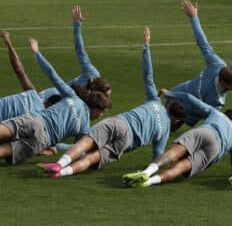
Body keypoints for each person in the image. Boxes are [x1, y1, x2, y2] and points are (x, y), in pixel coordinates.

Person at [0, 38, 112, 169]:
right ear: (95, 109)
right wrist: (65, 158)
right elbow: (78, 150)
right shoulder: (85, 125)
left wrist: (37, 53)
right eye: (101, 113)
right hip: (42, 141)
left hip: (34, 120)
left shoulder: (72, 96)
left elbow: (53, 75)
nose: (100, 116)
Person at [36, 28, 186, 178]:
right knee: (91, 158)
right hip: (127, 143)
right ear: (175, 119)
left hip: (120, 123)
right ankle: (61, 173)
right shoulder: (165, 131)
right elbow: (157, 157)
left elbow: (148, 76)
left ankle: (59, 164)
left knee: (86, 142)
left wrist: (146, 47)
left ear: (168, 105)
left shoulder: (155, 101)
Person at [121, 92, 232, 188]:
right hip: (215, 148)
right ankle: (149, 182)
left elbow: (189, 97)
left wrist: (169, 93)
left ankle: (147, 172)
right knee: (181, 167)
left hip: (205, 131)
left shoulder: (217, 113)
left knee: (173, 153)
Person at [170, 0, 232, 125]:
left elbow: (210, 122)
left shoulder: (218, 99)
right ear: (222, 82)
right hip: (177, 95)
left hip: (187, 115)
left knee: (168, 129)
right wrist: (194, 18)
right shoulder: (217, 67)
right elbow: (202, 43)